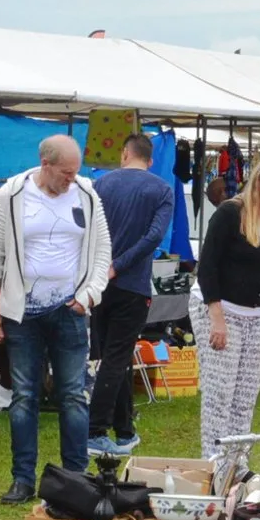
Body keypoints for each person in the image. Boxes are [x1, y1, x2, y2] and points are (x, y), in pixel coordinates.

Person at [0, 134, 113, 504]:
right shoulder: (8, 197)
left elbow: (103, 252)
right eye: (65, 173)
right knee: (24, 396)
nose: (71, 179)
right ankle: (22, 479)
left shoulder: (88, 195)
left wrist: (87, 296)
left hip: (70, 309)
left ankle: (76, 476)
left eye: (75, 172)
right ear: (45, 165)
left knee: (73, 396)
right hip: (22, 312)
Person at [191, 155, 260, 464]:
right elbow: (207, 267)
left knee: (246, 393)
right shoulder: (229, 213)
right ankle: (214, 460)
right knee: (219, 392)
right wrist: (216, 319)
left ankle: (237, 463)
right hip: (221, 308)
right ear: (258, 181)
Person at [89, 133, 175, 454]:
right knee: (117, 357)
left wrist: (103, 267)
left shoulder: (100, 185)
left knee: (114, 357)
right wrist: (120, 264)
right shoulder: (161, 189)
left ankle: (124, 429)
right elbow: (154, 237)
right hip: (132, 284)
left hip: (100, 283)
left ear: (124, 154)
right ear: (150, 160)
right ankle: (95, 429)